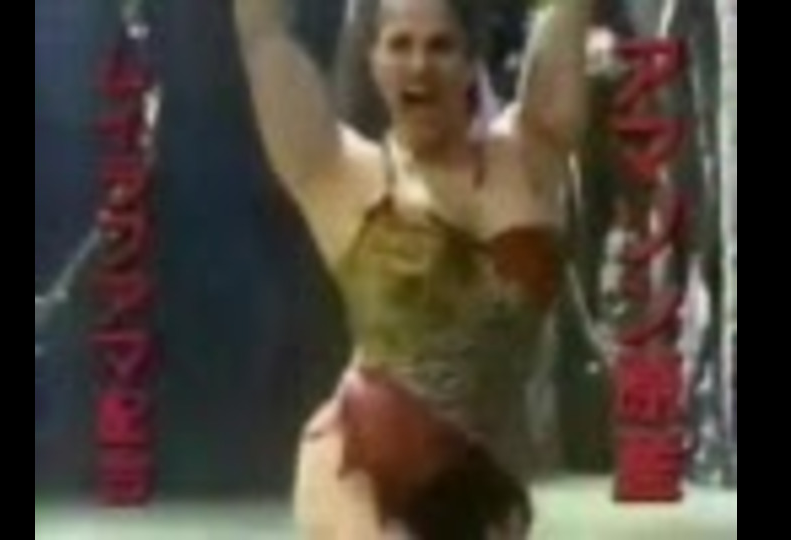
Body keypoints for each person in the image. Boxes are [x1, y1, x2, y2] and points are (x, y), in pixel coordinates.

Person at [232, 0, 593, 536]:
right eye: (400, 45)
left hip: (483, 485)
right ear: (373, 60)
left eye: (440, 46)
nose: (419, 65)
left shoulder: (529, 156)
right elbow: (263, 35)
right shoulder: (340, 174)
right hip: (358, 461)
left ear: (471, 62)